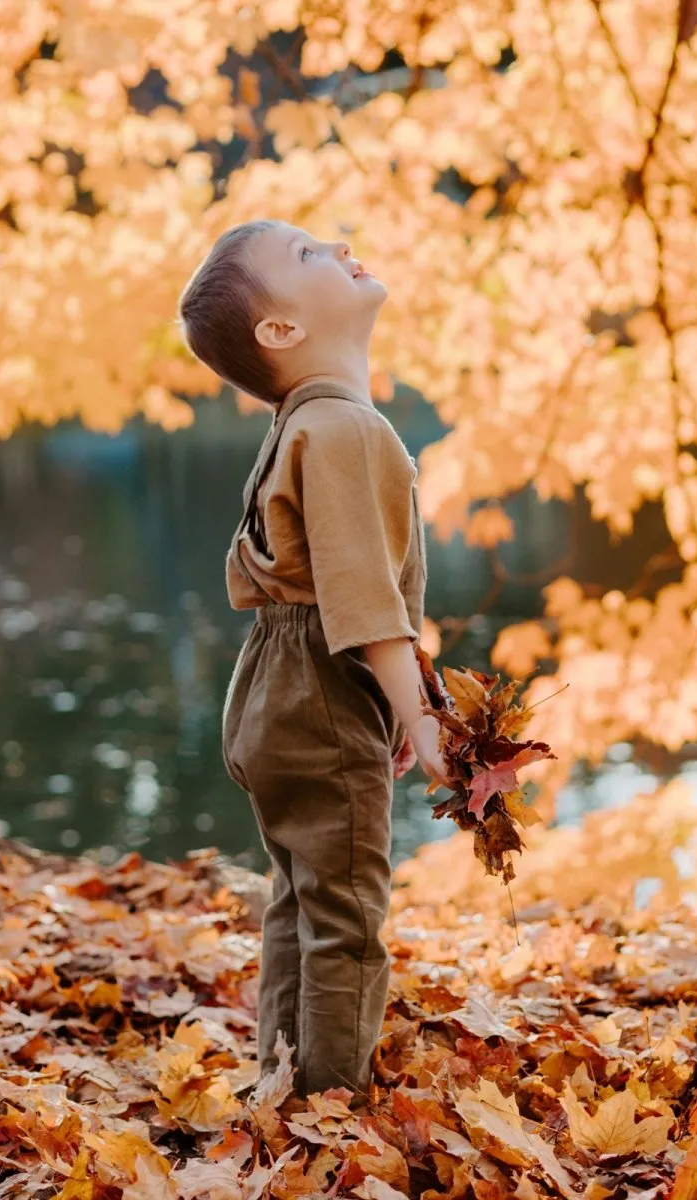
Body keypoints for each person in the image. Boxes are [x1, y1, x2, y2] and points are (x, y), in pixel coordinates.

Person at [177, 220, 450, 1105]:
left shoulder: (302, 424)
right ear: (281, 332)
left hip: (276, 685)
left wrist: (398, 696)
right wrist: (417, 714)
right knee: (348, 916)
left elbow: (326, 577)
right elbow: (366, 599)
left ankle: (282, 1087)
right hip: (318, 683)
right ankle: (330, 1115)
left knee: (300, 897)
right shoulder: (342, 428)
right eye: (306, 256)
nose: (338, 245)